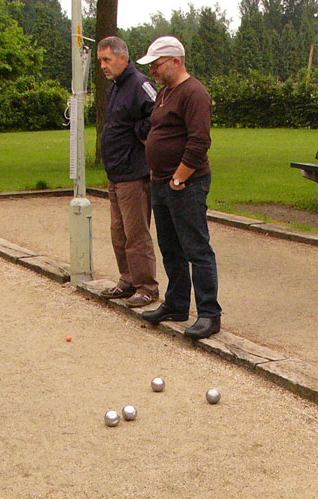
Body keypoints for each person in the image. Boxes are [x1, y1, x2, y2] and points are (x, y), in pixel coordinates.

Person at [136, 36, 222, 340]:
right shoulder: (165, 93)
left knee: (196, 247)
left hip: (186, 183)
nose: (154, 71)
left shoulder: (194, 93)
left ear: (175, 60)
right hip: (160, 181)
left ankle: (210, 313)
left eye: (157, 65)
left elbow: (199, 141)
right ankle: (176, 304)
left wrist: (178, 178)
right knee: (170, 247)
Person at [96, 35, 159, 308]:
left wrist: (138, 133)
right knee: (118, 231)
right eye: (100, 60)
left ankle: (147, 286)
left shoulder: (140, 84)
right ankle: (128, 279)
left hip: (134, 173)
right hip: (116, 172)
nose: (102, 66)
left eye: (107, 59)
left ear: (123, 58)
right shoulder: (115, 86)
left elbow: (158, 115)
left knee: (136, 233)